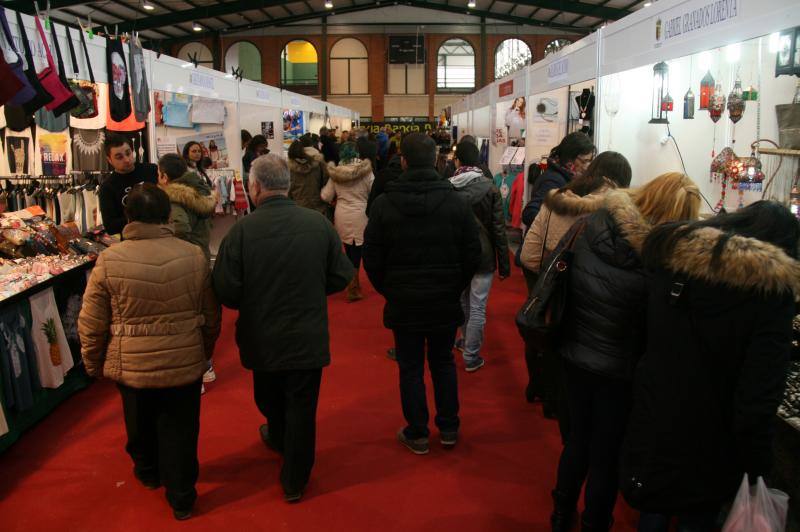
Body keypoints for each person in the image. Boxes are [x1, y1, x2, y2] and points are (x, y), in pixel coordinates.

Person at [621, 201, 800, 532]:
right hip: (712, 437)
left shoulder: (674, 259)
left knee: (654, 503)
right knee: (695, 515)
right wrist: (757, 464)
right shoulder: (771, 293)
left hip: (657, 410)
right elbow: (758, 394)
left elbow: (640, 333)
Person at [550, 173, 701, 532]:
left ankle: (560, 514)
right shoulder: (661, 259)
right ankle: (594, 523)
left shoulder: (592, 222)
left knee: (576, 442)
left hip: (575, 352)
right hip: (619, 370)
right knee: (605, 455)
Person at [213, 154, 354, 503]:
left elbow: (226, 290)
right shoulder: (318, 225)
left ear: (255, 186)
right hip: (307, 333)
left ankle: (279, 438)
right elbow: (342, 275)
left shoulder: (242, 231)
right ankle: (295, 479)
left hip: (262, 336)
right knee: (302, 407)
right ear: (287, 185)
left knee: (269, 395)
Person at [78, 183, 220, 521]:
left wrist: (93, 361)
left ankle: (147, 470)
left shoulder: (110, 260)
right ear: (168, 215)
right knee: (183, 429)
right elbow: (211, 315)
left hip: (132, 364)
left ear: (129, 216)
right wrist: (203, 351)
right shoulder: (193, 255)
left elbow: (92, 320)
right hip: (183, 361)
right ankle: (182, 496)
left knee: (138, 422)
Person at [363, 133, 481, 455]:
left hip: (405, 302)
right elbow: (473, 253)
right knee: (442, 363)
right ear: (437, 161)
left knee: (411, 366)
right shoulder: (456, 203)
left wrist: (391, 290)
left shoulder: (385, 205)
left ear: (403, 161)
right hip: (443, 298)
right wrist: (454, 285)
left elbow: (371, 259)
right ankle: (448, 427)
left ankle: (417, 431)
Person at [520, 152, 632, 411]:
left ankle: (539, 386)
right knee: (572, 342)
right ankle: (557, 400)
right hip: (585, 285)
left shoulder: (559, 196)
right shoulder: (615, 208)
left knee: (542, 328)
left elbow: (530, 249)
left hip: (546, 274)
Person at [449, 141, 510, 372]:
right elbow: (498, 229)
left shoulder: (449, 187)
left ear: (458, 161)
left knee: (463, 301)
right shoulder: (491, 188)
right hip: (483, 256)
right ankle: (471, 355)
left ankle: (466, 342)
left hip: (458, 254)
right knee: (477, 306)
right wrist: (504, 265)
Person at [321, 141, 374, 302]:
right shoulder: (366, 172)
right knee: (358, 250)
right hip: (361, 214)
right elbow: (374, 191)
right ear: (357, 153)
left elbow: (326, 196)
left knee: (348, 250)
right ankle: (354, 284)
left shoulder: (336, 173)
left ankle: (352, 283)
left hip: (342, 214)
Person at [157, 153, 215, 260]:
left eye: (158, 174)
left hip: (186, 258)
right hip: (202, 252)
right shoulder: (200, 188)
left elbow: (180, 228)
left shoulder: (174, 197)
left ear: (164, 177)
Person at [99, 133, 158, 236]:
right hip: (133, 240)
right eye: (119, 157)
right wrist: (139, 217)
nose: (126, 159)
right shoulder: (107, 188)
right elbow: (110, 227)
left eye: (128, 153)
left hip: (160, 233)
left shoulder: (152, 170)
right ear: (109, 160)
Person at [287, 138, 330, 218]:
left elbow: (288, 189)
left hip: (297, 207)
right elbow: (326, 181)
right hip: (318, 206)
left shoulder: (289, 167)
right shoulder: (319, 163)